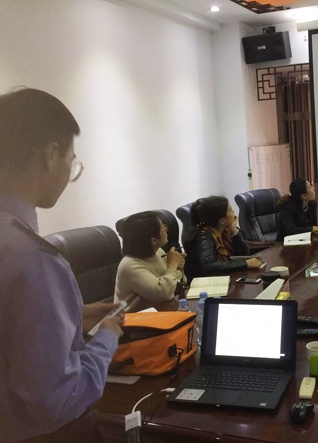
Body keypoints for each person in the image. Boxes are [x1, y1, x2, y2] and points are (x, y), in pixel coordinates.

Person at [0, 88, 124, 442]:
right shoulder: (34, 259)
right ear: (51, 155)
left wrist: (69, 318)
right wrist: (107, 336)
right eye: (73, 160)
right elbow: (58, 399)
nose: (71, 171)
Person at [114, 211, 187, 312]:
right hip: (134, 319)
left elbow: (175, 285)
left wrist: (178, 267)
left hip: (160, 312)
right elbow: (163, 293)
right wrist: (172, 266)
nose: (166, 230)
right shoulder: (130, 265)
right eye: (163, 228)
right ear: (154, 240)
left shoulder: (158, 252)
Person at [184, 196, 262, 280]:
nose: (233, 212)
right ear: (222, 221)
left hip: (223, 278)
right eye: (230, 210)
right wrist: (245, 263)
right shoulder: (205, 237)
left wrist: (234, 232)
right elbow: (209, 266)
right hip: (204, 283)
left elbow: (245, 254)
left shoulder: (224, 231)